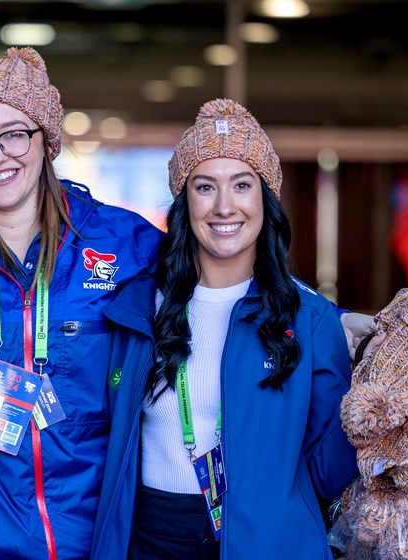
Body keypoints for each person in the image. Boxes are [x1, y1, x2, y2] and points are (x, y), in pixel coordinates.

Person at [0, 47, 164, 559]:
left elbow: (220, 276)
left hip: (86, 539)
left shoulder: (116, 240)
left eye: (15, 134)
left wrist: (314, 315)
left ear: (47, 141)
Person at [92, 98, 359, 559]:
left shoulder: (309, 320)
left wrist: (375, 406)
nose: (224, 206)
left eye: (241, 184)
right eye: (204, 186)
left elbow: (331, 472)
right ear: (184, 201)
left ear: (265, 198)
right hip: (152, 536)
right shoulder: (137, 310)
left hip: (265, 542)